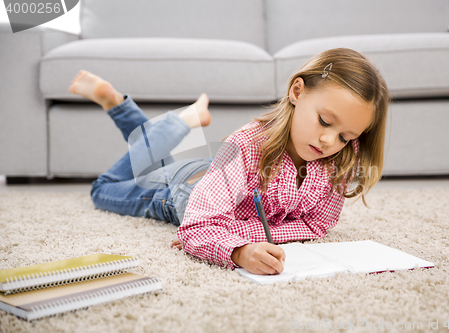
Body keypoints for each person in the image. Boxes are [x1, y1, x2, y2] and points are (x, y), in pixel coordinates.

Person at [69, 48, 389, 276]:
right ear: (296, 91)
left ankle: (179, 121)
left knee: (156, 161)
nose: (329, 142)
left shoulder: (341, 157)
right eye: (324, 121)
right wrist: (239, 249)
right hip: (180, 191)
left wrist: (243, 232)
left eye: (346, 136)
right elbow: (197, 226)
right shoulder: (244, 145)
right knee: (103, 189)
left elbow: (318, 224)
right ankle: (176, 121)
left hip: (216, 174)